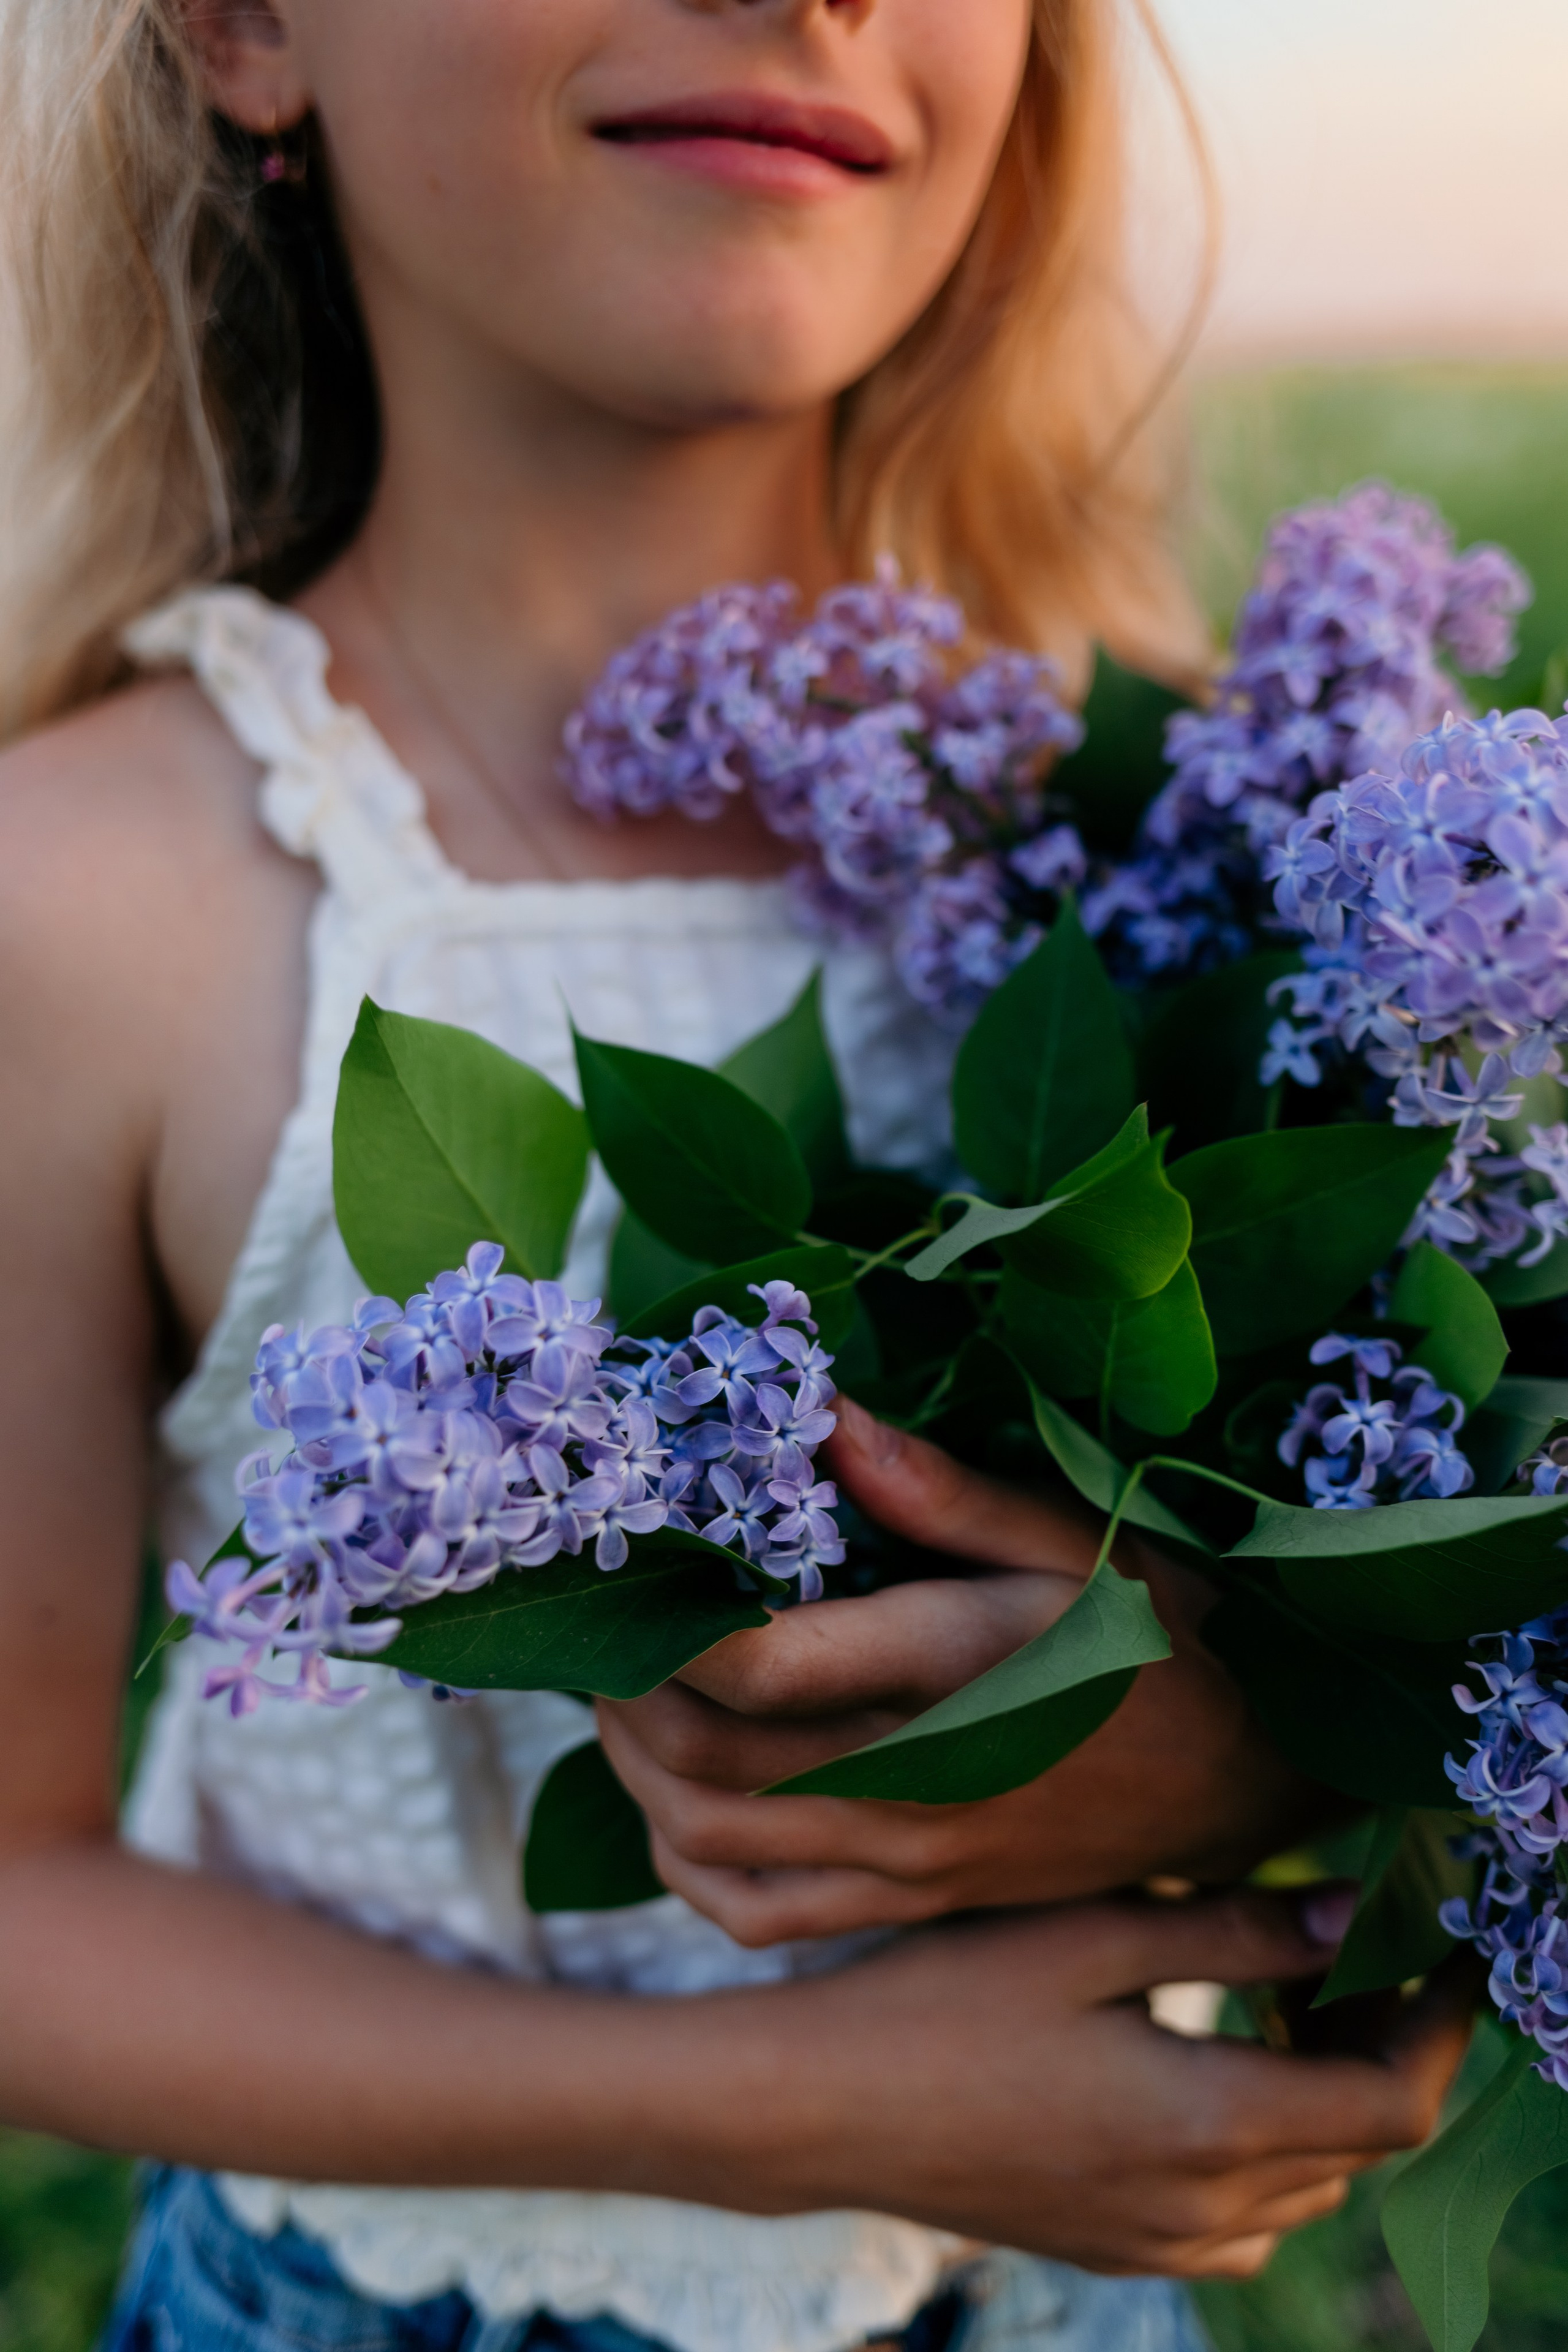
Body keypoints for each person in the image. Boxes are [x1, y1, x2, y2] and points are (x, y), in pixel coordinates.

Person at [0, 3, 1471, 2349]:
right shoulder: (86, 906)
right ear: (253, 28)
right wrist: (773, 2101)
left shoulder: (1199, 844)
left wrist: (1259, 1731)